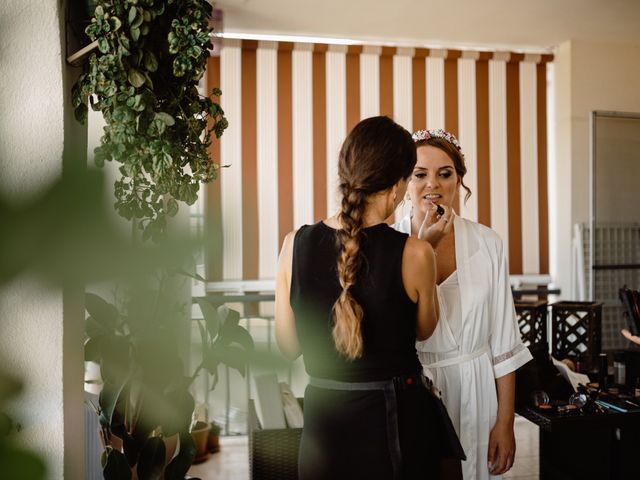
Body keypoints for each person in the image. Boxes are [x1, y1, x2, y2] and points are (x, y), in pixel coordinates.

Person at [275, 116, 463, 479]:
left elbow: (287, 346)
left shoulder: (292, 245)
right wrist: (427, 247)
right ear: (397, 186)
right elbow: (425, 331)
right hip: (396, 429)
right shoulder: (417, 254)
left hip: (323, 433)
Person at [393, 129, 532, 480]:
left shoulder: (488, 243)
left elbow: (503, 341)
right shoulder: (388, 243)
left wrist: (505, 421)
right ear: (404, 182)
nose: (432, 185)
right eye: (420, 174)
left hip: (476, 390)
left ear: (459, 180)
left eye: (445, 173)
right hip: (411, 394)